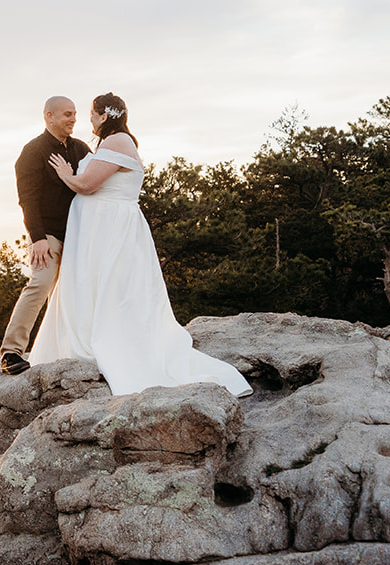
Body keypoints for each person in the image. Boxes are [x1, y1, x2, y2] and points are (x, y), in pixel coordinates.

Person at [27, 93, 251, 398]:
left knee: (113, 290)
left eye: (91, 115)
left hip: (111, 230)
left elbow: (88, 184)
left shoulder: (118, 141)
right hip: (100, 231)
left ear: (104, 117)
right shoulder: (110, 143)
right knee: (99, 287)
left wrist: (66, 174)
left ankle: (116, 345)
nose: (87, 120)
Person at [0, 95, 93, 375]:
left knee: (71, 293)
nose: (73, 119)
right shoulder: (33, 151)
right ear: (48, 116)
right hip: (48, 234)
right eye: (67, 114)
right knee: (39, 284)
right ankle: (11, 352)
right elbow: (27, 198)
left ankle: (64, 347)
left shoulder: (81, 149)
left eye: (75, 114)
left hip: (78, 234)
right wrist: (37, 238)